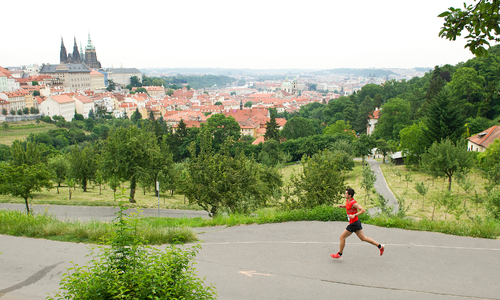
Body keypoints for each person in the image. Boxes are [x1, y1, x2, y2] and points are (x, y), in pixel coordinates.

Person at [331, 187, 385, 259]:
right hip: (356, 223)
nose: (344, 194)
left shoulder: (354, 203)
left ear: (350, 195)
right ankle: (380, 246)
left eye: (346, 193)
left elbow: (363, 210)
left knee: (342, 237)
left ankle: (339, 254)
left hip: (354, 223)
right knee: (363, 238)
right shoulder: (348, 201)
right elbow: (349, 207)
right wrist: (343, 206)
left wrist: (354, 215)